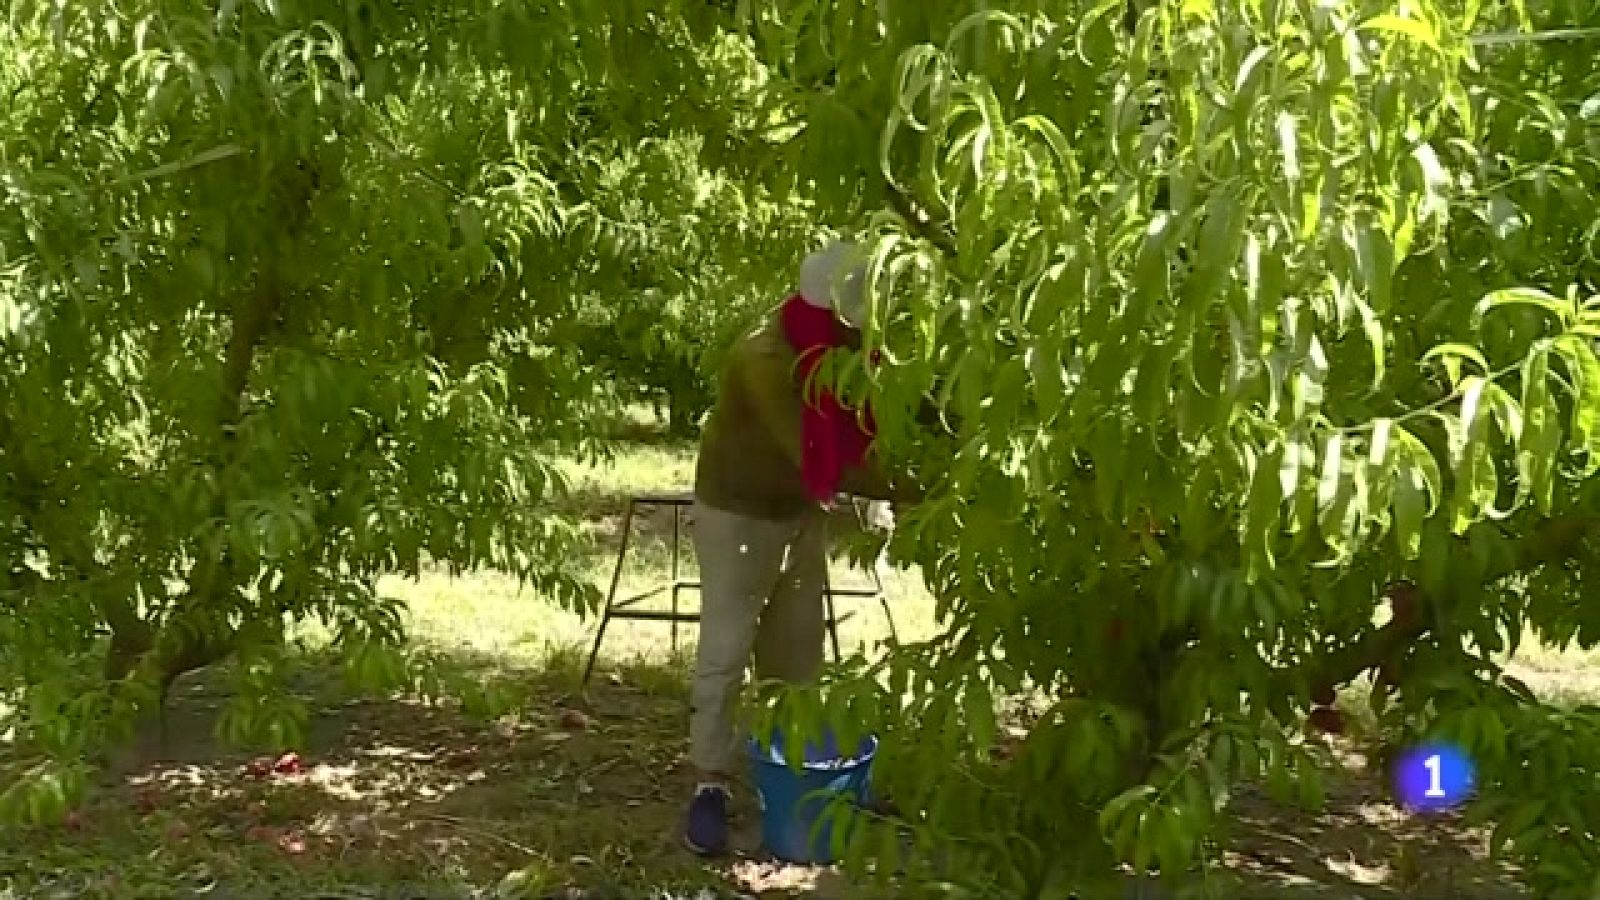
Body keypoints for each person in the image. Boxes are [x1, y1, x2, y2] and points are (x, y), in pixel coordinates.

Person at [682, 240, 918, 856]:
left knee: (798, 653)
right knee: (726, 650)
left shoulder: (837, 351)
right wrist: (921, 486)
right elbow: (815, 456)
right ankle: (710, 783)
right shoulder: (764, 358)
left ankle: (793, 775)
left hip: (797, 511)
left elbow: (867, 419)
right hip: (739, 514)